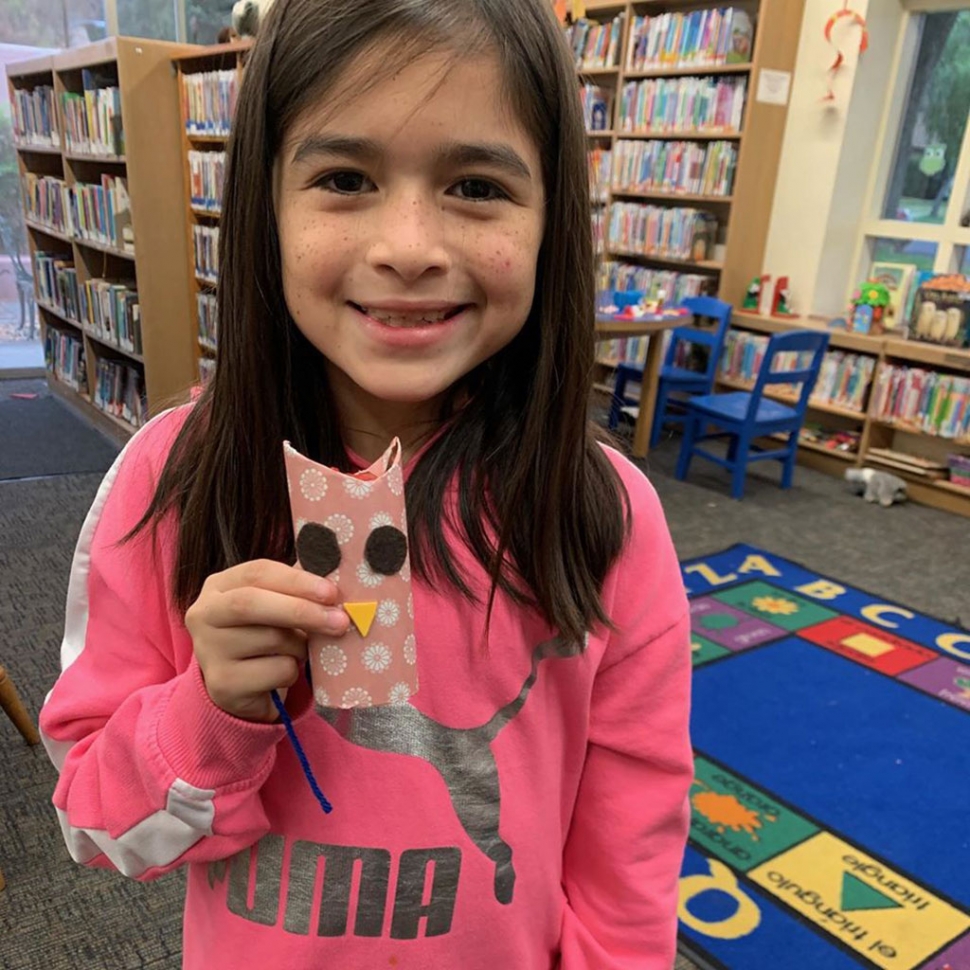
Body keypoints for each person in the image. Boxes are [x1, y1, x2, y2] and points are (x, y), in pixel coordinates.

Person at [39, 0, 693, 967]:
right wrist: (207, 713)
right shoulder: (172, 480)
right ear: (266, 204)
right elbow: (99, 832)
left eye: (475, 185)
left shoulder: (604, 516)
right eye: (345, 179)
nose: (408, 246)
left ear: (555, 216)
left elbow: (631, 845)